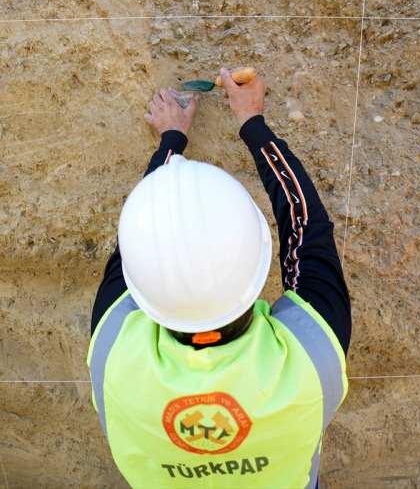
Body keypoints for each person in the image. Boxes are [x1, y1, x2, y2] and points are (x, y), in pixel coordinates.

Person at [87, 68, 351, 488]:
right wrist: (253, 123)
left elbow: (141, 241)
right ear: (255, 259)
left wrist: (171, 139)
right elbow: (307, 229)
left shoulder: (113, 355)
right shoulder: (310, 359)